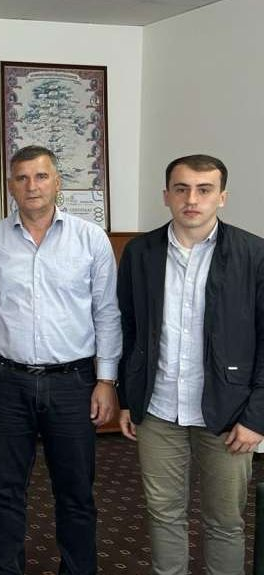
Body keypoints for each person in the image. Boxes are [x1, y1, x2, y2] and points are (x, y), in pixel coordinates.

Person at [0, 145, 121, 575]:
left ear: (57, 182)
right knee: (6, 490)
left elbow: (107, 313)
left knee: (76, 492)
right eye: (22, 178)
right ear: (10, 186)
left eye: (41, 176)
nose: (32, 186)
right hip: (6, 382)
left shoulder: (91, 239)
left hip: (73, 384)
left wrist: (106, 380)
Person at [117, 154, 264, 575]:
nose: (192, 199)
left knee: (224, 522)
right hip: (158, 410)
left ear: (222, 197)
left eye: (204, 190)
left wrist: (257, 416)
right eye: (181, 189)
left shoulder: (253, 253)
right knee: (163, 515)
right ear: (166, 195)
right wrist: (128, 398)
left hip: (229, 414)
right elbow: (129, 328)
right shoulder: (140, 252)